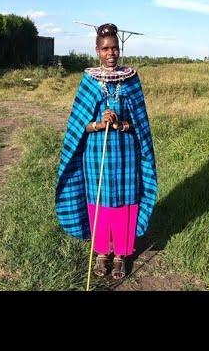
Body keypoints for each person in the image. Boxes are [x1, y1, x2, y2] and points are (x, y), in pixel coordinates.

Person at [55, 23, 158, 281]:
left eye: (115, 48)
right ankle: (101, 252)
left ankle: (121, 254)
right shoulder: (89, 80)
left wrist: (123, 123)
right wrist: (101, 123)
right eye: (105, 49)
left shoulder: (131, 78)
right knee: (99, 201)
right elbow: (80, 125)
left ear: (120, 49)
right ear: (97, 50)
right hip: (96, 154)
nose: (111, 53)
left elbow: (140, 121)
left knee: (124, 202)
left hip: (125, 154)